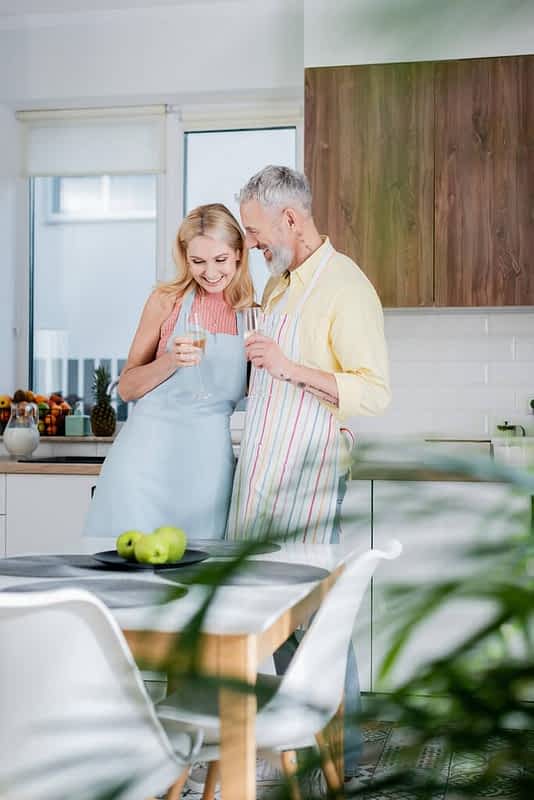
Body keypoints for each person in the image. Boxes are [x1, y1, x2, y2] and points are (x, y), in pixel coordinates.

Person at [226, 165, 391, 785]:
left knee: (317, 619)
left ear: (290, 219)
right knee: (276, 617)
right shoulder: (279, 286)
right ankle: (300, 745)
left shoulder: (346, 287)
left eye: (255, 231)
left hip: (311, 474)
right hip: (264, 470)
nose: (252, 243)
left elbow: (373, 392)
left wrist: (289, 366)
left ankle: (342, 760)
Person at [84, 203, 254, 542]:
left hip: (207, 469)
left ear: (238, 253)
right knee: (126, 565)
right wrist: (169, 361)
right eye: (198, 261)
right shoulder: (166, 300)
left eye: (220, 259)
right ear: (185, 258)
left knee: (199, 566)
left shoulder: (250, 313)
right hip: (144, 463)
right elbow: (127, 388)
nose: (210, 272)